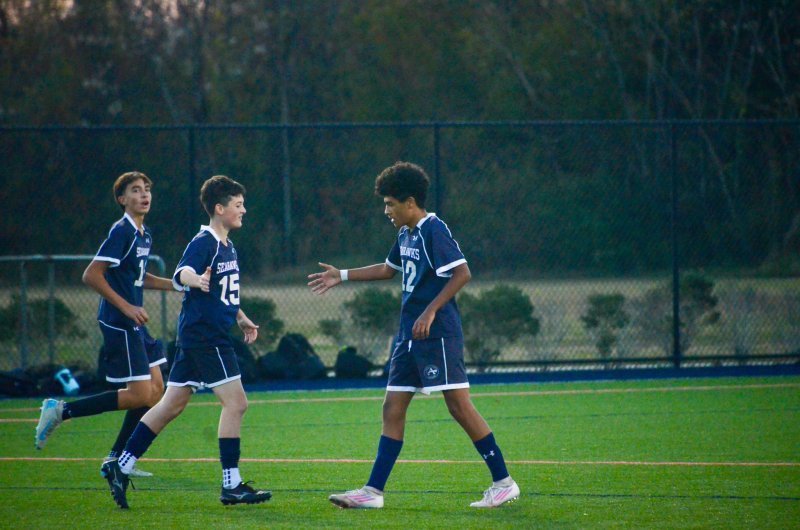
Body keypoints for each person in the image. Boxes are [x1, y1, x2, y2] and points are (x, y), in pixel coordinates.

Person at [308, 161, 520, 509]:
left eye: (390, 203)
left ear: (410, 202)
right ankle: (373, 492)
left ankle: (504, 481)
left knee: (458, 406)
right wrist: (341, 275)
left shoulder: (433, 229)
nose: (386, 210)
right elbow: (387, 269)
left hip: (438, 335)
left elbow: (462, 273)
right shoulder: (405, 234)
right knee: (392, 406)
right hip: (409, 337)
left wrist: (431, 309)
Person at [102, 175, 271, 509]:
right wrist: (196, 279)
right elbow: (182, 274)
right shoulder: (204, 241)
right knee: (236, 404)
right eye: (238, 205)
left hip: (200, 334)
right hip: (207, 337)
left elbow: (225, 293)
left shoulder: (227, 243)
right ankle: (231, 484)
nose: (244, 211)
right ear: (219, 209)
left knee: (170, 405)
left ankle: (119, 466)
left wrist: (242, 318)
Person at [35, 171, 178, 480]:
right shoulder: (121, 231)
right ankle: (61, 412)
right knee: (141, 394)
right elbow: (91, 274)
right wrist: (126, 306)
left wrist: (178, 285)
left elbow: (140, 278)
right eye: (136, 190)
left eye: (147, 189)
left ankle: (117, 458)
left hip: (133, 321)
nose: (144, 195)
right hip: (118, 321)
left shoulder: (144, 233)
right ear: (121, 199)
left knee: (156, 391)